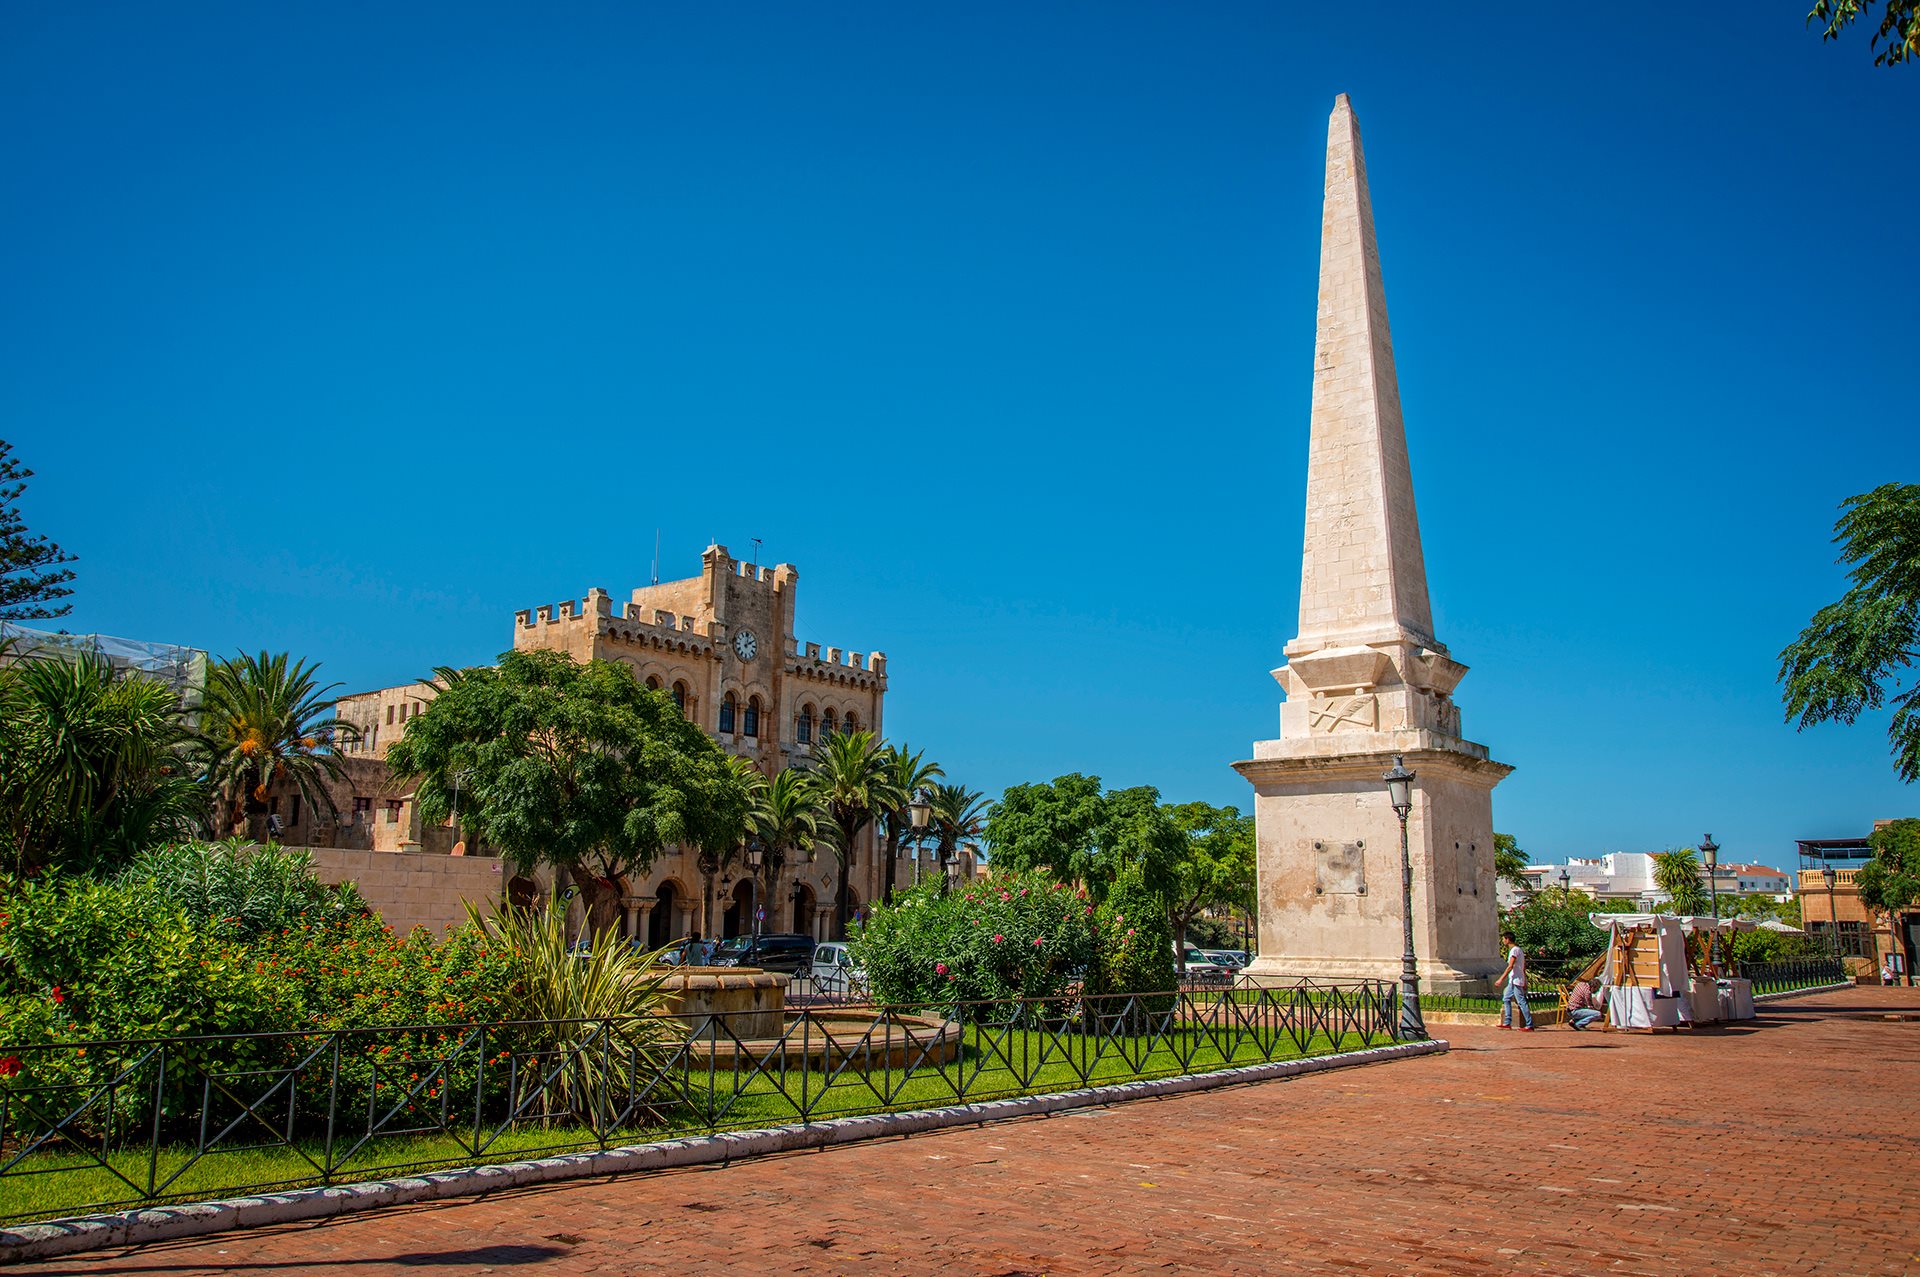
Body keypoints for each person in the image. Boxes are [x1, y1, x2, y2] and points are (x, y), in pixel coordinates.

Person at [1496, 931, 1534, 1031]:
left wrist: (1500, 979)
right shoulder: (1518, 950)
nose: (1503, 941)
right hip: (1513, 980)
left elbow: (1510, 966)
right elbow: (1523, 967)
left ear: (1508, 939)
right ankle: (1507, 1022)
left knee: (1521, 1002)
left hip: (1516, 980)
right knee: (1506, 998)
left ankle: (1529, 1024)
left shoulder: (1514, 951)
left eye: (1504, 939)